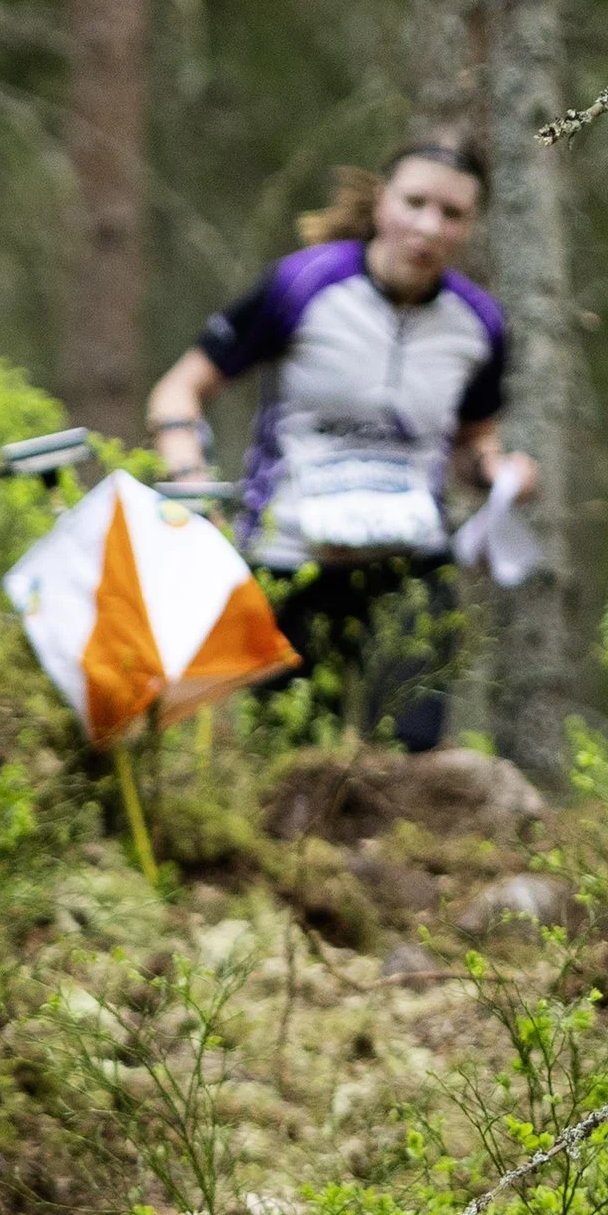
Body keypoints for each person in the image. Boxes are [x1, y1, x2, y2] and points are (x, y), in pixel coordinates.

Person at [141, 134, 535, 755]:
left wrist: (498, 472)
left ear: (470, 226)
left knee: (411, 754)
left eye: (452, 213)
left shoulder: (478, 323)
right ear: (382, 203)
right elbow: (177, 391)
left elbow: (472, 441)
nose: (428, 227)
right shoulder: (303, 285)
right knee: (292, 760)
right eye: (414, 202)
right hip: (292, 555)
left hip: (411, 560)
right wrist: (193, 485)